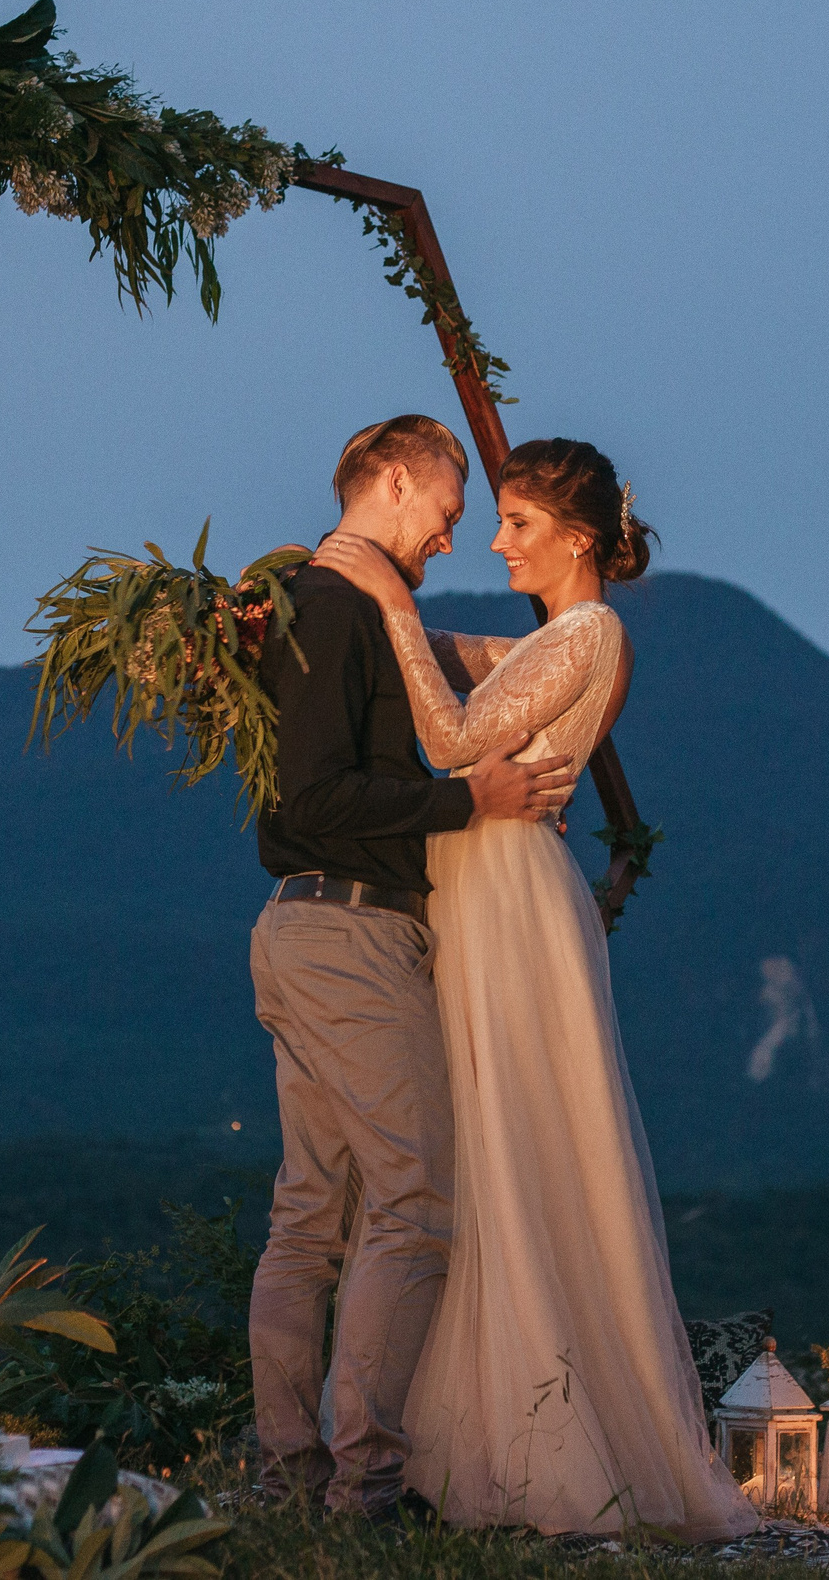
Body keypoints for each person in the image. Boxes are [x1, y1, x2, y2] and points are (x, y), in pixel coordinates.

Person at [313, 438, 758, 1541]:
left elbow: (451, 735)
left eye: (515, 523)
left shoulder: (593, 631)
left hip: (508, 898)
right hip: (485, 888)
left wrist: (389, 603)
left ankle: (535, 1444)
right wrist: (366, 609)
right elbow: (483, 667)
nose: (496, 540)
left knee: (510, 1145)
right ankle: (474, 1432)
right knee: (479, 1145)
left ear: (572, 537)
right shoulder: (556, 639)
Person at [246, 414, 579, 1519]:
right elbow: (313, 797)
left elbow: (467, 681)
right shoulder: (336, 608)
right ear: (394, 483)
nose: (448, 541)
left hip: (300, 931)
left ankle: (292, 1473)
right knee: (414, 1200)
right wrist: (463, 801)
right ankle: (366, 1481)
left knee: (311, 1212)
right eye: (444, 514)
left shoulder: (321, 606)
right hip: (350, 935)